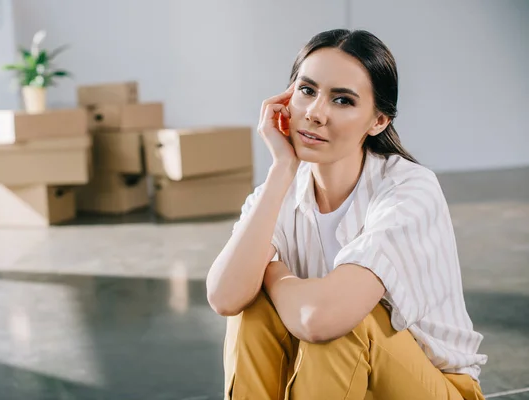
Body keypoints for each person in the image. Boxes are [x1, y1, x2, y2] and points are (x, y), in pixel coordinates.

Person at [206, 29, 488, 400]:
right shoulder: (280, 192)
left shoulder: (410, 189)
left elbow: (322, 320)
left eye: (342, 100)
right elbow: (225, 297)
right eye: (306, 90)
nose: (315, 113)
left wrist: (273, 273)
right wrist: (280, 172)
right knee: (251, 308)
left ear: (379, 121)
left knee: (348, 324)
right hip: (332, 383)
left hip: (432, 387)